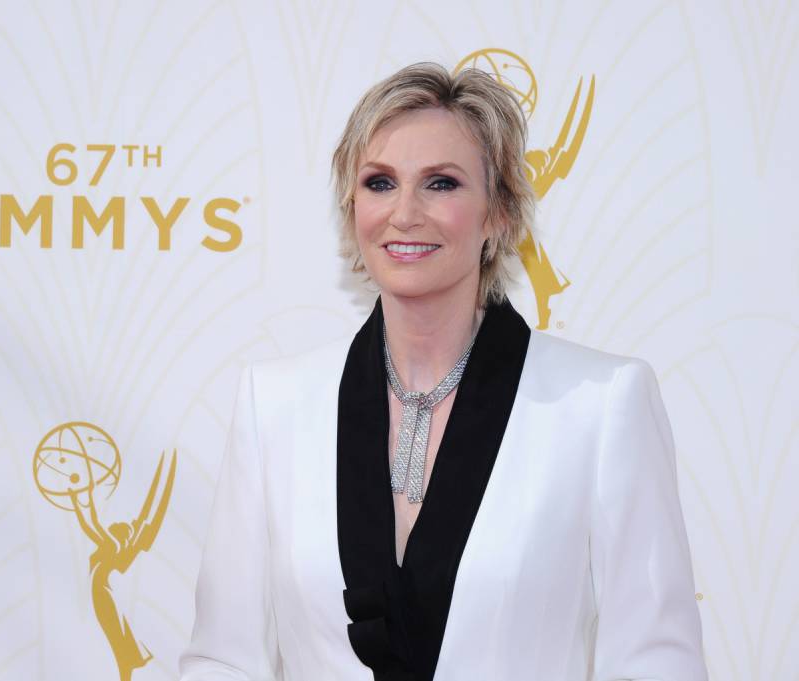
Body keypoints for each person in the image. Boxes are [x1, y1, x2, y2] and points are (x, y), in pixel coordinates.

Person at [179, 62, 707, 681]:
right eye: (379, 183)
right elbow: (224, 659)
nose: (404, 213)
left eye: (441, 184)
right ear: (352, 208)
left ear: (500, 214)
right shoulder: (273, 405)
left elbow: (655, 663)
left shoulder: (602, 405)